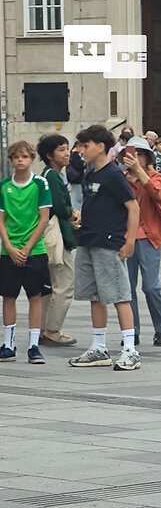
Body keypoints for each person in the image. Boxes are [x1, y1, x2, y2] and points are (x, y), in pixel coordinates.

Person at [67, 124, 141, 371]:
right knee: (95, 296)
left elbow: (133, 207)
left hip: (109, 242)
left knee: (119, 295)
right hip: (88, 240)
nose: (80, 151)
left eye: (84, 146)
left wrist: (129, 240)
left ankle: (130, 349)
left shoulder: (113, 174)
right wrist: (80, 218)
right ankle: (99, 347)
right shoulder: (90, 173)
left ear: (101, 147)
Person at [0, 141, 53, 364]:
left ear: (31, 159)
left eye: (24, 156)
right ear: (11, 160)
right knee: (8, 296)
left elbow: (44, 219)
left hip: (35, 249)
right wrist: (10, 247)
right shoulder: (3, 186)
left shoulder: (40, 184)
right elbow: (1, 220)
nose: (20, 160)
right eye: (16, 157)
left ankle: (33, 345)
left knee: (35, 296)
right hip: (8, 250)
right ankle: (8, 343)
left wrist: (27, 247)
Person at [120, 136, 161, 347]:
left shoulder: (154, 176)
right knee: (128, 287)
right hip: (127, 238)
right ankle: (132, 331)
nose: (136, 159)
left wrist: (140, 172)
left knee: (151, 286)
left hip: (149, 237)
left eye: (140, 155)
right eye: (132, 155)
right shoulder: (122, 179)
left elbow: (158, 195)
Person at [37, 134, 81, 348]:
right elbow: (59, 207)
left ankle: (44, 328)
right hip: (57, 238)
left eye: (67, 149)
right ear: (49, 155)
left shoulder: (46, 174)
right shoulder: (53, 176)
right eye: (62, 149)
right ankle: (52, 330)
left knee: (50, 286)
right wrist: (71, 213)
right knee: (64, 284)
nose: (67, 153)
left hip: (48, 236)